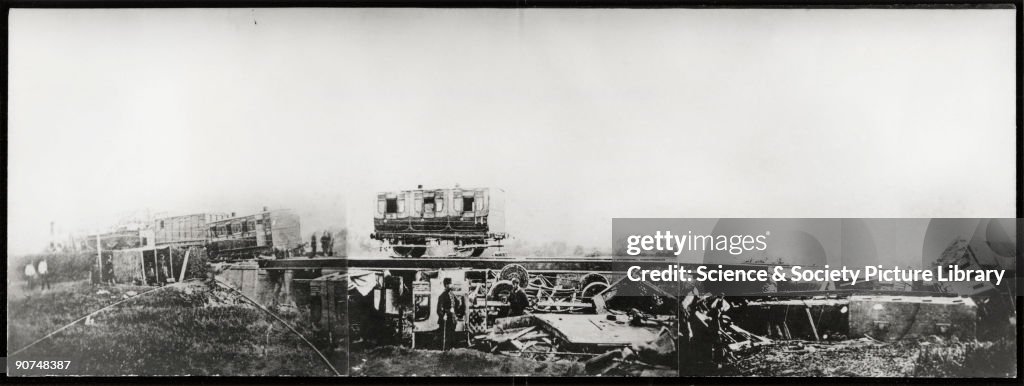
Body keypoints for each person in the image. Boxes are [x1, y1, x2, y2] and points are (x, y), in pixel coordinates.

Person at [436, 277, 459, 350]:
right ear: (446, 285)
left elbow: (457, 303)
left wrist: (455, 312)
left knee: (452, 332)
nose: (451, 285)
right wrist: (443, 315)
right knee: (445, 333)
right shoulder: (442, 296)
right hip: (446, 318)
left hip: (452, 317)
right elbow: (439, 309)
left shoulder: (452, 294)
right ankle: (445, 348)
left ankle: (452, 347)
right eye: (450, 284)